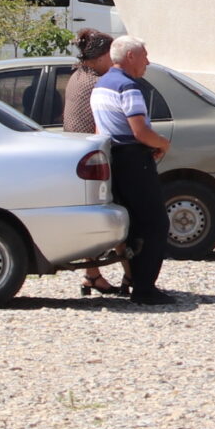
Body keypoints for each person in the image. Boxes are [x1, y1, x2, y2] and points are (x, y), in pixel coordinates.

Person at [92, 35, 174, 305]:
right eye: (144, 55)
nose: (147, 61)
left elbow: (99, 129)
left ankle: (135, 281)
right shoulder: (128, 87)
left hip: (113, 159)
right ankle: (145, 287)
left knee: (133, 224)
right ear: (130, 57)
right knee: (155, 224)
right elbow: (140, 131)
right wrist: (163, 143)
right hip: (134, 160)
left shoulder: (102, 84)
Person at [62, 30, 126, 298]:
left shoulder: (77, 76)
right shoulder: (98, 83)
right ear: (100, 57)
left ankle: (92, 275)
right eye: (110, 56)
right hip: (92, 159)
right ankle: (130, 276)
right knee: (118, 215)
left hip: (76, 157)